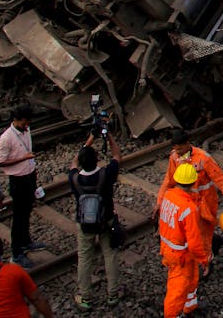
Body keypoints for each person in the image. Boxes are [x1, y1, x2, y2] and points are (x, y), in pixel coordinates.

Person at [155, 130, 223, 264]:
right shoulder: (175, 157)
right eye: (175, 149)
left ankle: (207, 261)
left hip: (205, 203)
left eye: (179, 149)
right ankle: (207, 251)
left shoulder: (204, 158)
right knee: (192, 232)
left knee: (204, 234)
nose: (178, 152)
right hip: (187, 203)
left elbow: (221, 180)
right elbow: (169, 180)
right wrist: (159, 201)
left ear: (187, 143)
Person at [69, 128, 122, 310]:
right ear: (97, 158)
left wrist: (90, 138)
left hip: (84, 222)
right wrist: (109, 135)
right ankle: (113, 294)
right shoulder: (106, 173)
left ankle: (85, 296)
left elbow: (74, 161)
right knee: (110, 254)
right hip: (106, 220)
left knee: (84, 258)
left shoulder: (74, 178)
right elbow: (117, 155)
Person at [158, 163, 209, 318]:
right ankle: (172, 315)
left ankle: (189, 307)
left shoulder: (168, 196)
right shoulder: (188, 209)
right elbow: (194, 242)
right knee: (177, 290)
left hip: (171, 249)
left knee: (191, 278)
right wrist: (204, 259)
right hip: (180, 255)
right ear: (193, 183)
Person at [0, 104, 43, 267]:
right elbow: (0, 161)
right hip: (18, 179)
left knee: (27, 211)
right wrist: (23, 158)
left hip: (29, 174)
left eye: (28, 123)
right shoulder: (6, 138)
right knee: (19, 217)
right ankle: (16, 253)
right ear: (16, 120)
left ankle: (26, 242)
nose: (26, 126)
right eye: (24, 123)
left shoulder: (26, 130)